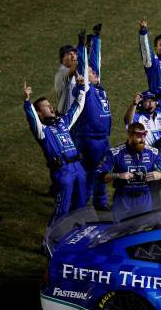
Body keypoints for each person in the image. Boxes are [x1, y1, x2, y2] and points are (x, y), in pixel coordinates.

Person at [23, 43, 89, 224]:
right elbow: (32, 121)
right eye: (46, 107)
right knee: (62, 210)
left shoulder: (62, 123)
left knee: (82, 208)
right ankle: (49, 243)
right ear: (39, 113)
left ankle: (78, 239)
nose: (51, 107)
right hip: (63, 172)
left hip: (78, 168)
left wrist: (82, 90)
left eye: (50, 104)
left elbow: (77, 108)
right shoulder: (43, 131)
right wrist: (27, 103)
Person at [71, 24, 111, 211]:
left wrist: (96, 39)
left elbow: (95, 63)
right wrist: (81, 45)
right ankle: (81, 207)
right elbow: (84, 66)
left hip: (102, 139)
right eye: (91, 73)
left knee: (101, 171)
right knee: (91, 173)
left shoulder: (99, 89)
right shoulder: (87, 90)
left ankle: (100, 204)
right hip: (92, 140)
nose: (94, 73)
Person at [96, 122, 161, 218]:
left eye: (144, 134)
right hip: (123, 200)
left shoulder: (153, 153)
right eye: (139, 135)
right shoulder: (115, 153)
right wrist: (118, 175)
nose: (143, 139)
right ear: (130, 135)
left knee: (144, 230)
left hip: (144, 200)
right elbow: (99, 175)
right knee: (120, 230)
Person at [124, 91, 161, 208]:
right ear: (141, 103)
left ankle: (151, 213)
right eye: (147, 101)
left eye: (152, 100)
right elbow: (128, 121)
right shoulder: (138, 117)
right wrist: (133, 104)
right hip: (145, 157)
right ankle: (151, 214)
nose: (150, 103)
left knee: (156, 186)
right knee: (150, 187)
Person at [54, 43, 78, 114]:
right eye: (69, 54)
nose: (73, 56)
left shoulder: (75, 73)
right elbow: (74, 67)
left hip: (74, 116)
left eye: (74, 53)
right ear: (62, 58)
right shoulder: (61, 73)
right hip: (66, 117)